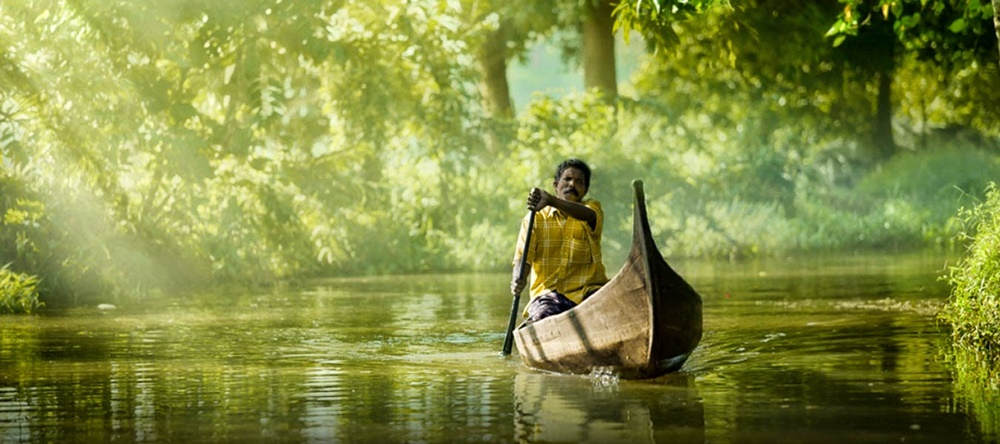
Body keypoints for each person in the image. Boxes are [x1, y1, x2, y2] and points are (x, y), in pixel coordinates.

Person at [510, 158, 609, 323]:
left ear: (584, 190)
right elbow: (523, 258)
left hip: (589, 292)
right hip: (548, 296)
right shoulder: (535, 218)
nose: (572, 184)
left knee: (613, 304)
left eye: (579, 182)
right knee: (544, 315)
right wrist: (518, 278)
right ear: (556, 185)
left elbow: (588, 216)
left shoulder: (591, 209)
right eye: (567, 179)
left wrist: (550, 200)